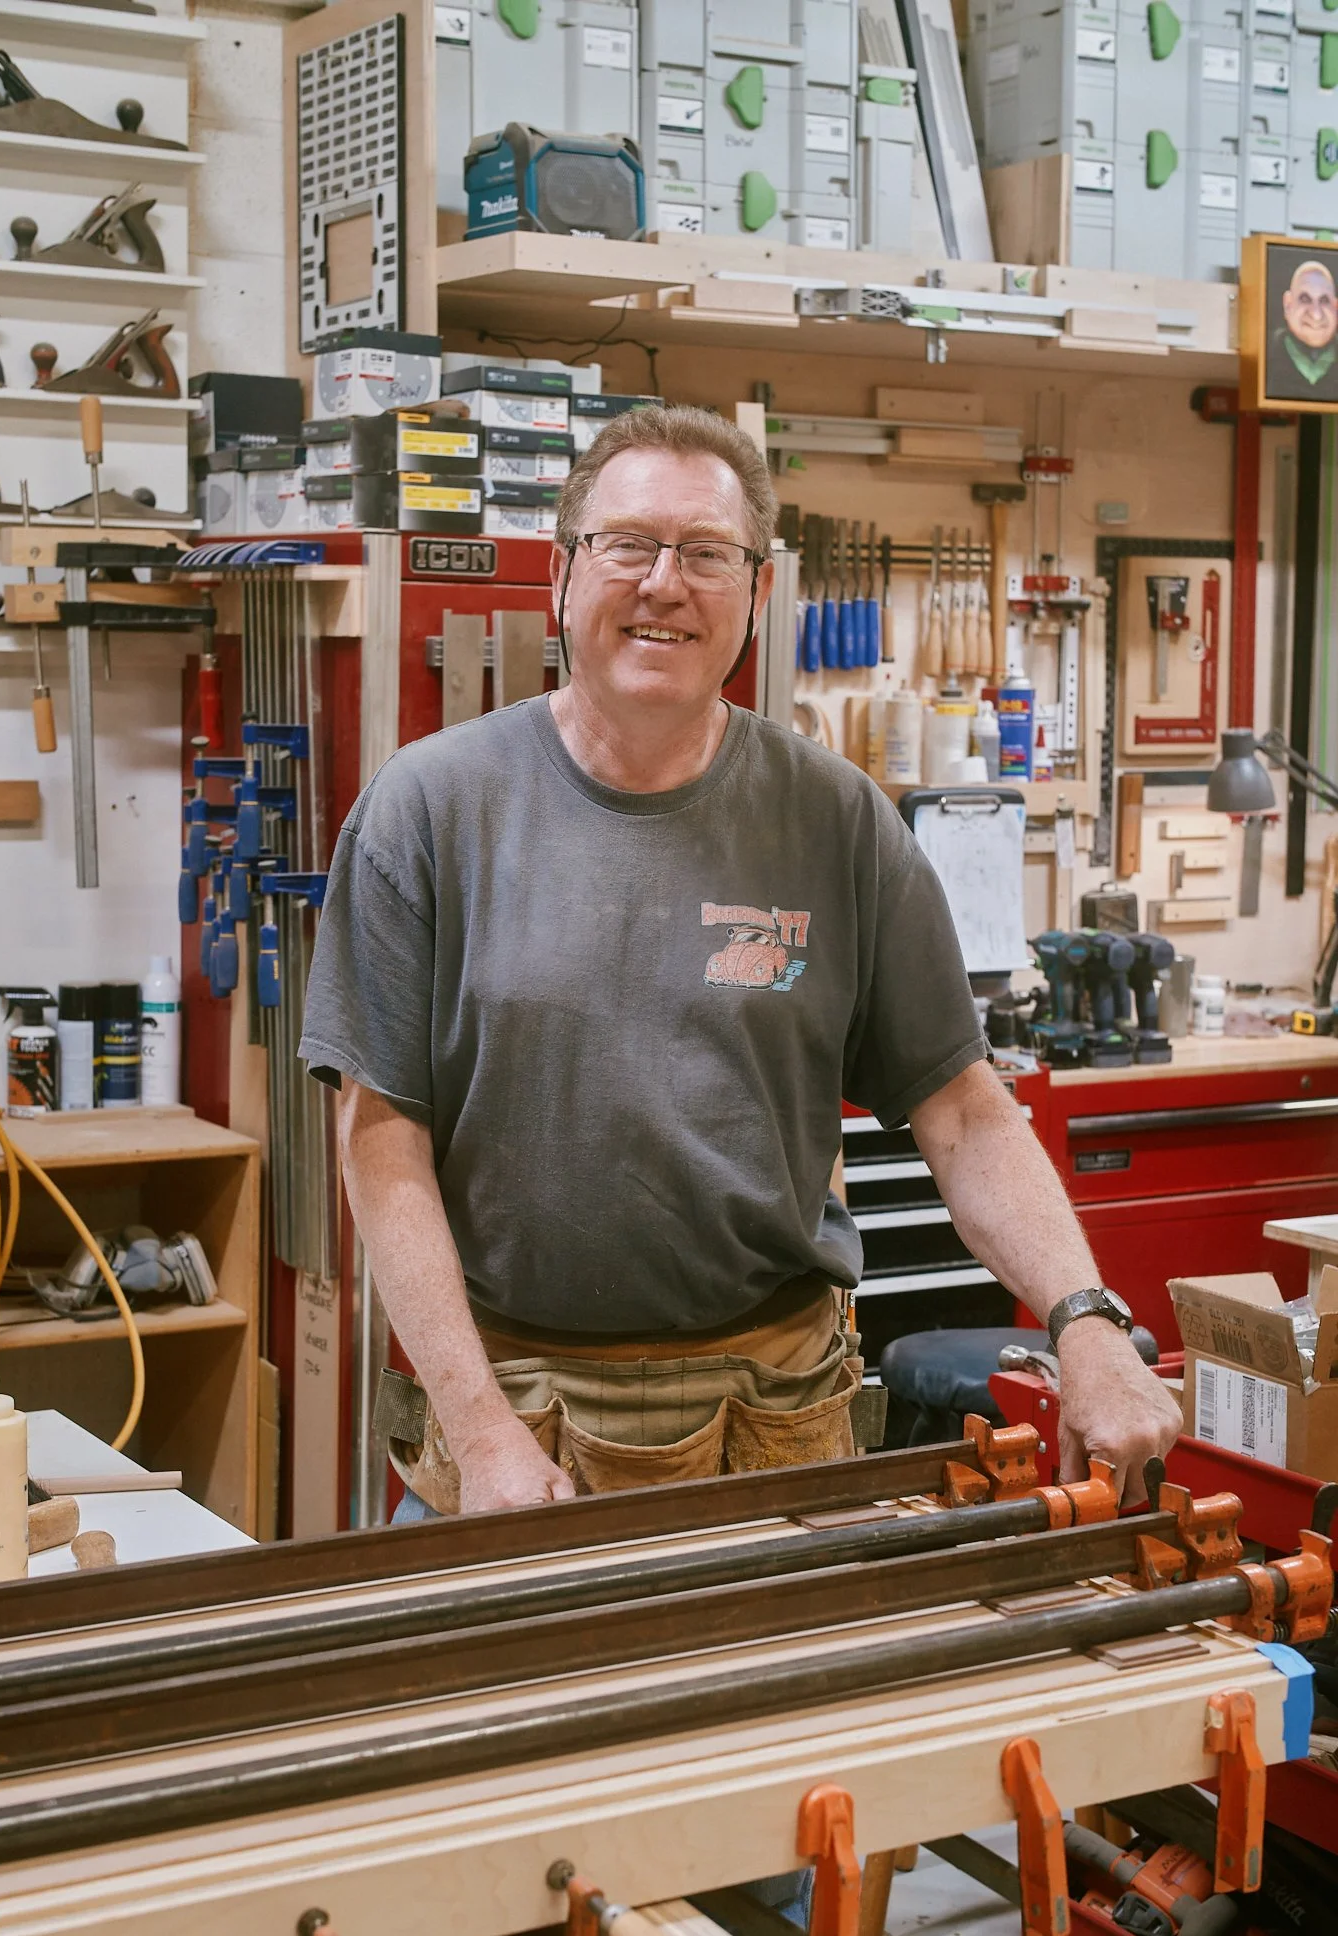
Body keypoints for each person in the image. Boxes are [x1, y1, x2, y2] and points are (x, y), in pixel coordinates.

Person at [298, 403, 1181, 1519]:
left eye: (709, 554)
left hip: (781, 1422)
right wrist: (477, 1430)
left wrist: (1085, 1319)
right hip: (513, 1423)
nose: (665, 583)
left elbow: (963, 1110)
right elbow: (381, 1142)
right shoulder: (428, 810)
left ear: (758, 594)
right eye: (628, 543)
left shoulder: (840, 822)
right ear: (563, 575)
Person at [1273, 258, 1338, 393]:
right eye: (1305, 299)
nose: (1316, 315)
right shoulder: (1268, 357)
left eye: (1324, 300)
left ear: (1335, 307)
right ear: (1288, 304)